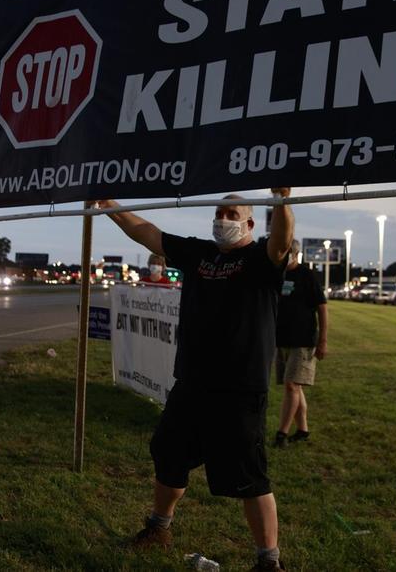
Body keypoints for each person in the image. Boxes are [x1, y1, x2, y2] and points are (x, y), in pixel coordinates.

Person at [95, 189, 294, 572]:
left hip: (239, 389)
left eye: (231, 213)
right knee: (168, 454)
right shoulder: (200, 254)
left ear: (250, 222)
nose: (223, 219)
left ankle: (269, 562)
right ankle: (158, 528)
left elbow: (282, 242)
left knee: (249, 476)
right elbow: (147, 233)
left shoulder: (261, 259)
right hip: (191, 383)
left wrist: (282, 201)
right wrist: (110, 207)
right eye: (219, 212)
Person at [273, 240, 328, 448]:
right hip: (283, 340)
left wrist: (322, 340)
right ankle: (303, 429)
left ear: (296, 254)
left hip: (303, 341)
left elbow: (322, 308)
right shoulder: (279, 275)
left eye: (286, 253)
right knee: (294, 387)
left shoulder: (307, 275)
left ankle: (282, 433)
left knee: (291, 385)